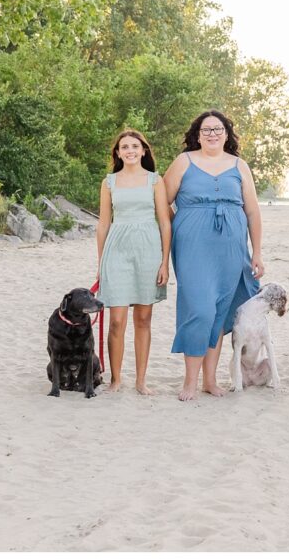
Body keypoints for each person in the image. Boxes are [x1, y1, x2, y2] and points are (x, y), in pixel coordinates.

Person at [163, 110, 264, 401]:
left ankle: (210, 380)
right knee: (199, 309)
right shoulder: (184, 162)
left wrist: (256, 252)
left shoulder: (239, 165)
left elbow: (253, 211)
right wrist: (184, 221)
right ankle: (190, 382)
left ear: (226, 133)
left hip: (231, 249)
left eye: (217, 129)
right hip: (193, 247)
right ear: (197, 134)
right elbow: (163, 202)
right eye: (206, 130)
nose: (212, 134)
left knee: (220, 313)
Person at [96, 129, 171, 395]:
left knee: (143, 318)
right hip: (116, 252)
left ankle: (141, 380)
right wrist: (101, 262)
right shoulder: (109, 183)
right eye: (124, 147)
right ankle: (116, 380)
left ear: (143, 151)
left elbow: (164, 222)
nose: (129, 150)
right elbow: (104, 224)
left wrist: (165, 262)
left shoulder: (155, 181)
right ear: (117, 153)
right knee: (116, 320)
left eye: (134, 146)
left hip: (148, 250)